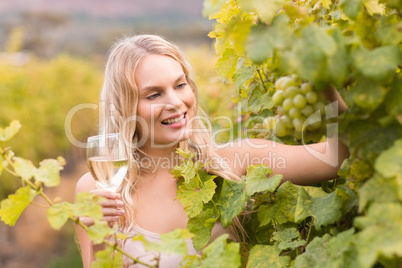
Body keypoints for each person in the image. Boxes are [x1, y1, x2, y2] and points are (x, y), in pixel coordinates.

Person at [75, 34, 349, 268]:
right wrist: (99, 236)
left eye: (180, 85)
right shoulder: (98, 188)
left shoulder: (233, 161)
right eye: (154, 95)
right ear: (126, 107)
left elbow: (337, 158)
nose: (176, 102)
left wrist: (325, 88)